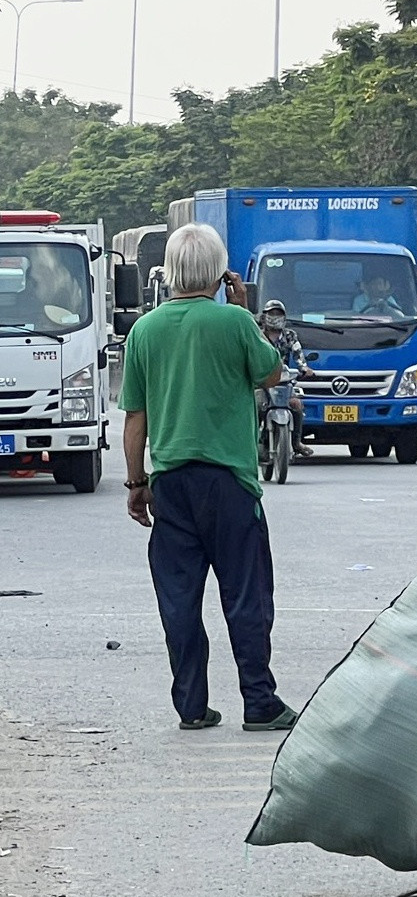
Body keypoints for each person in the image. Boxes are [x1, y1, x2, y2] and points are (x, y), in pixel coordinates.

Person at [119, 223, 296, 733]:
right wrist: (244, 312)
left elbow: (136, 418)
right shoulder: (234, 323)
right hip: (231, 484)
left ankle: (192, 706)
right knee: (246, 594)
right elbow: (270, 374)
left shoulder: (145, 331)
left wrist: (137, 485)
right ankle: (259, 703)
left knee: (179, 598)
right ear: (220, 274)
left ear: (170, 271)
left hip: (172, 483)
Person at [257, 301, 313, 457]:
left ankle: (296, 442)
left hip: (284, 380)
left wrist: (304, 368)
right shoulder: (257, 334)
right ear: (264, 317)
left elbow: (298, 354)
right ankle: (254, 442)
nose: (275, 318)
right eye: (271, 314)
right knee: (257, 406)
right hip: (261, 380)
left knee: (296, 405)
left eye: (278, 314)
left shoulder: (290, 336)